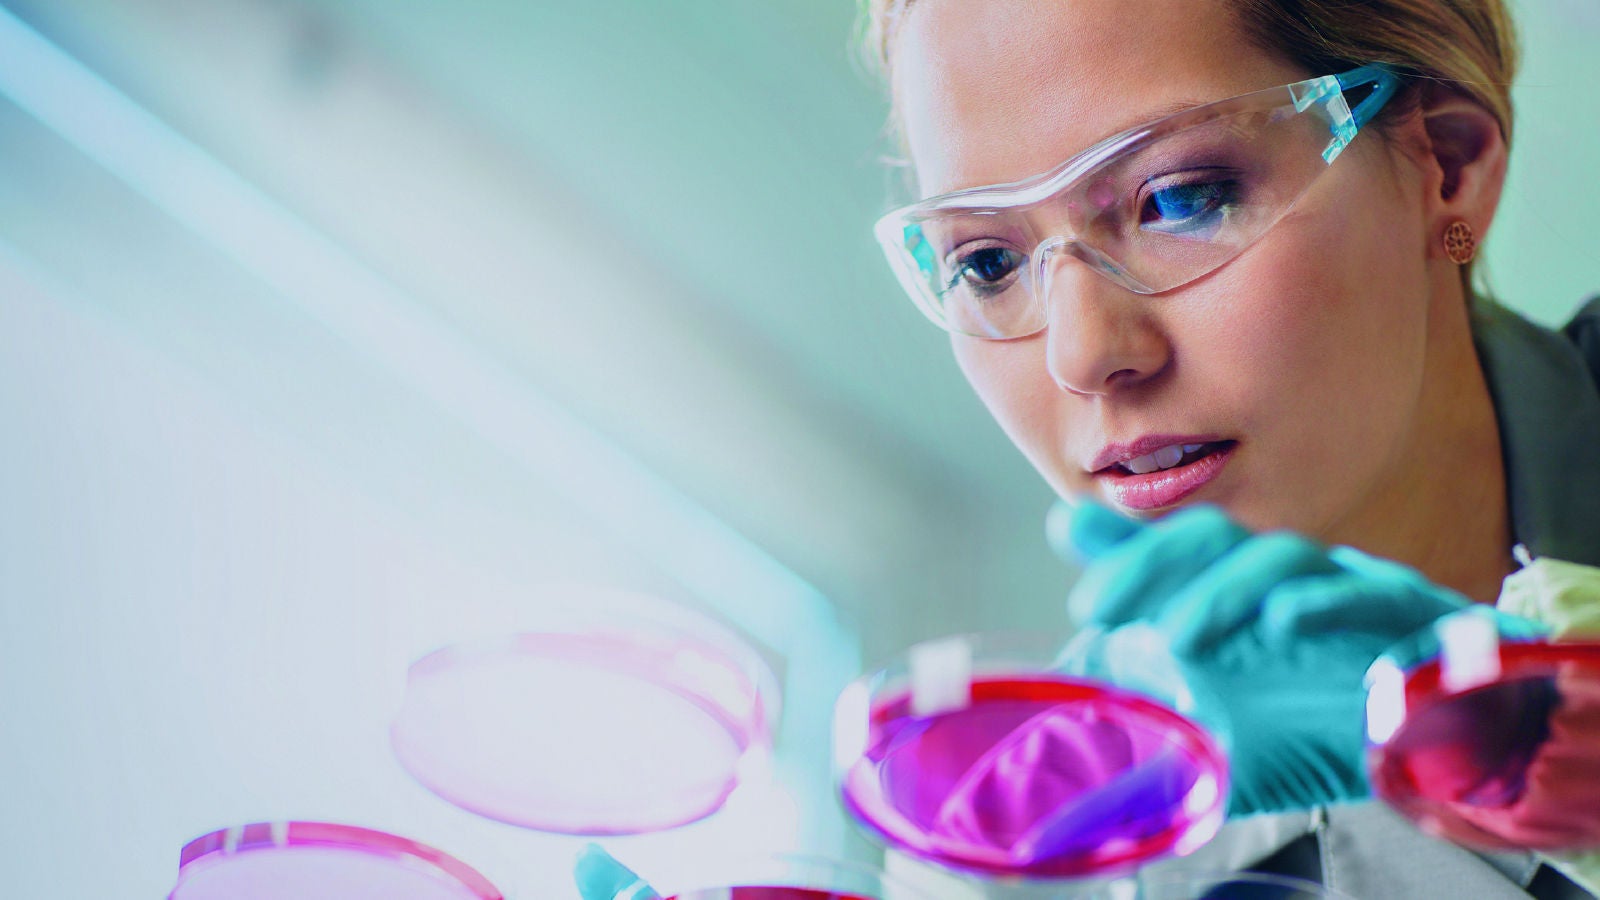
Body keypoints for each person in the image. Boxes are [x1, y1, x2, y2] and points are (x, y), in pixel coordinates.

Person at [578, 0, 1600, 896]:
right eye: (984, 262)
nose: (1084, 352)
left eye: (1180, 197)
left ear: (1447, 166)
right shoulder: (1042, 836)